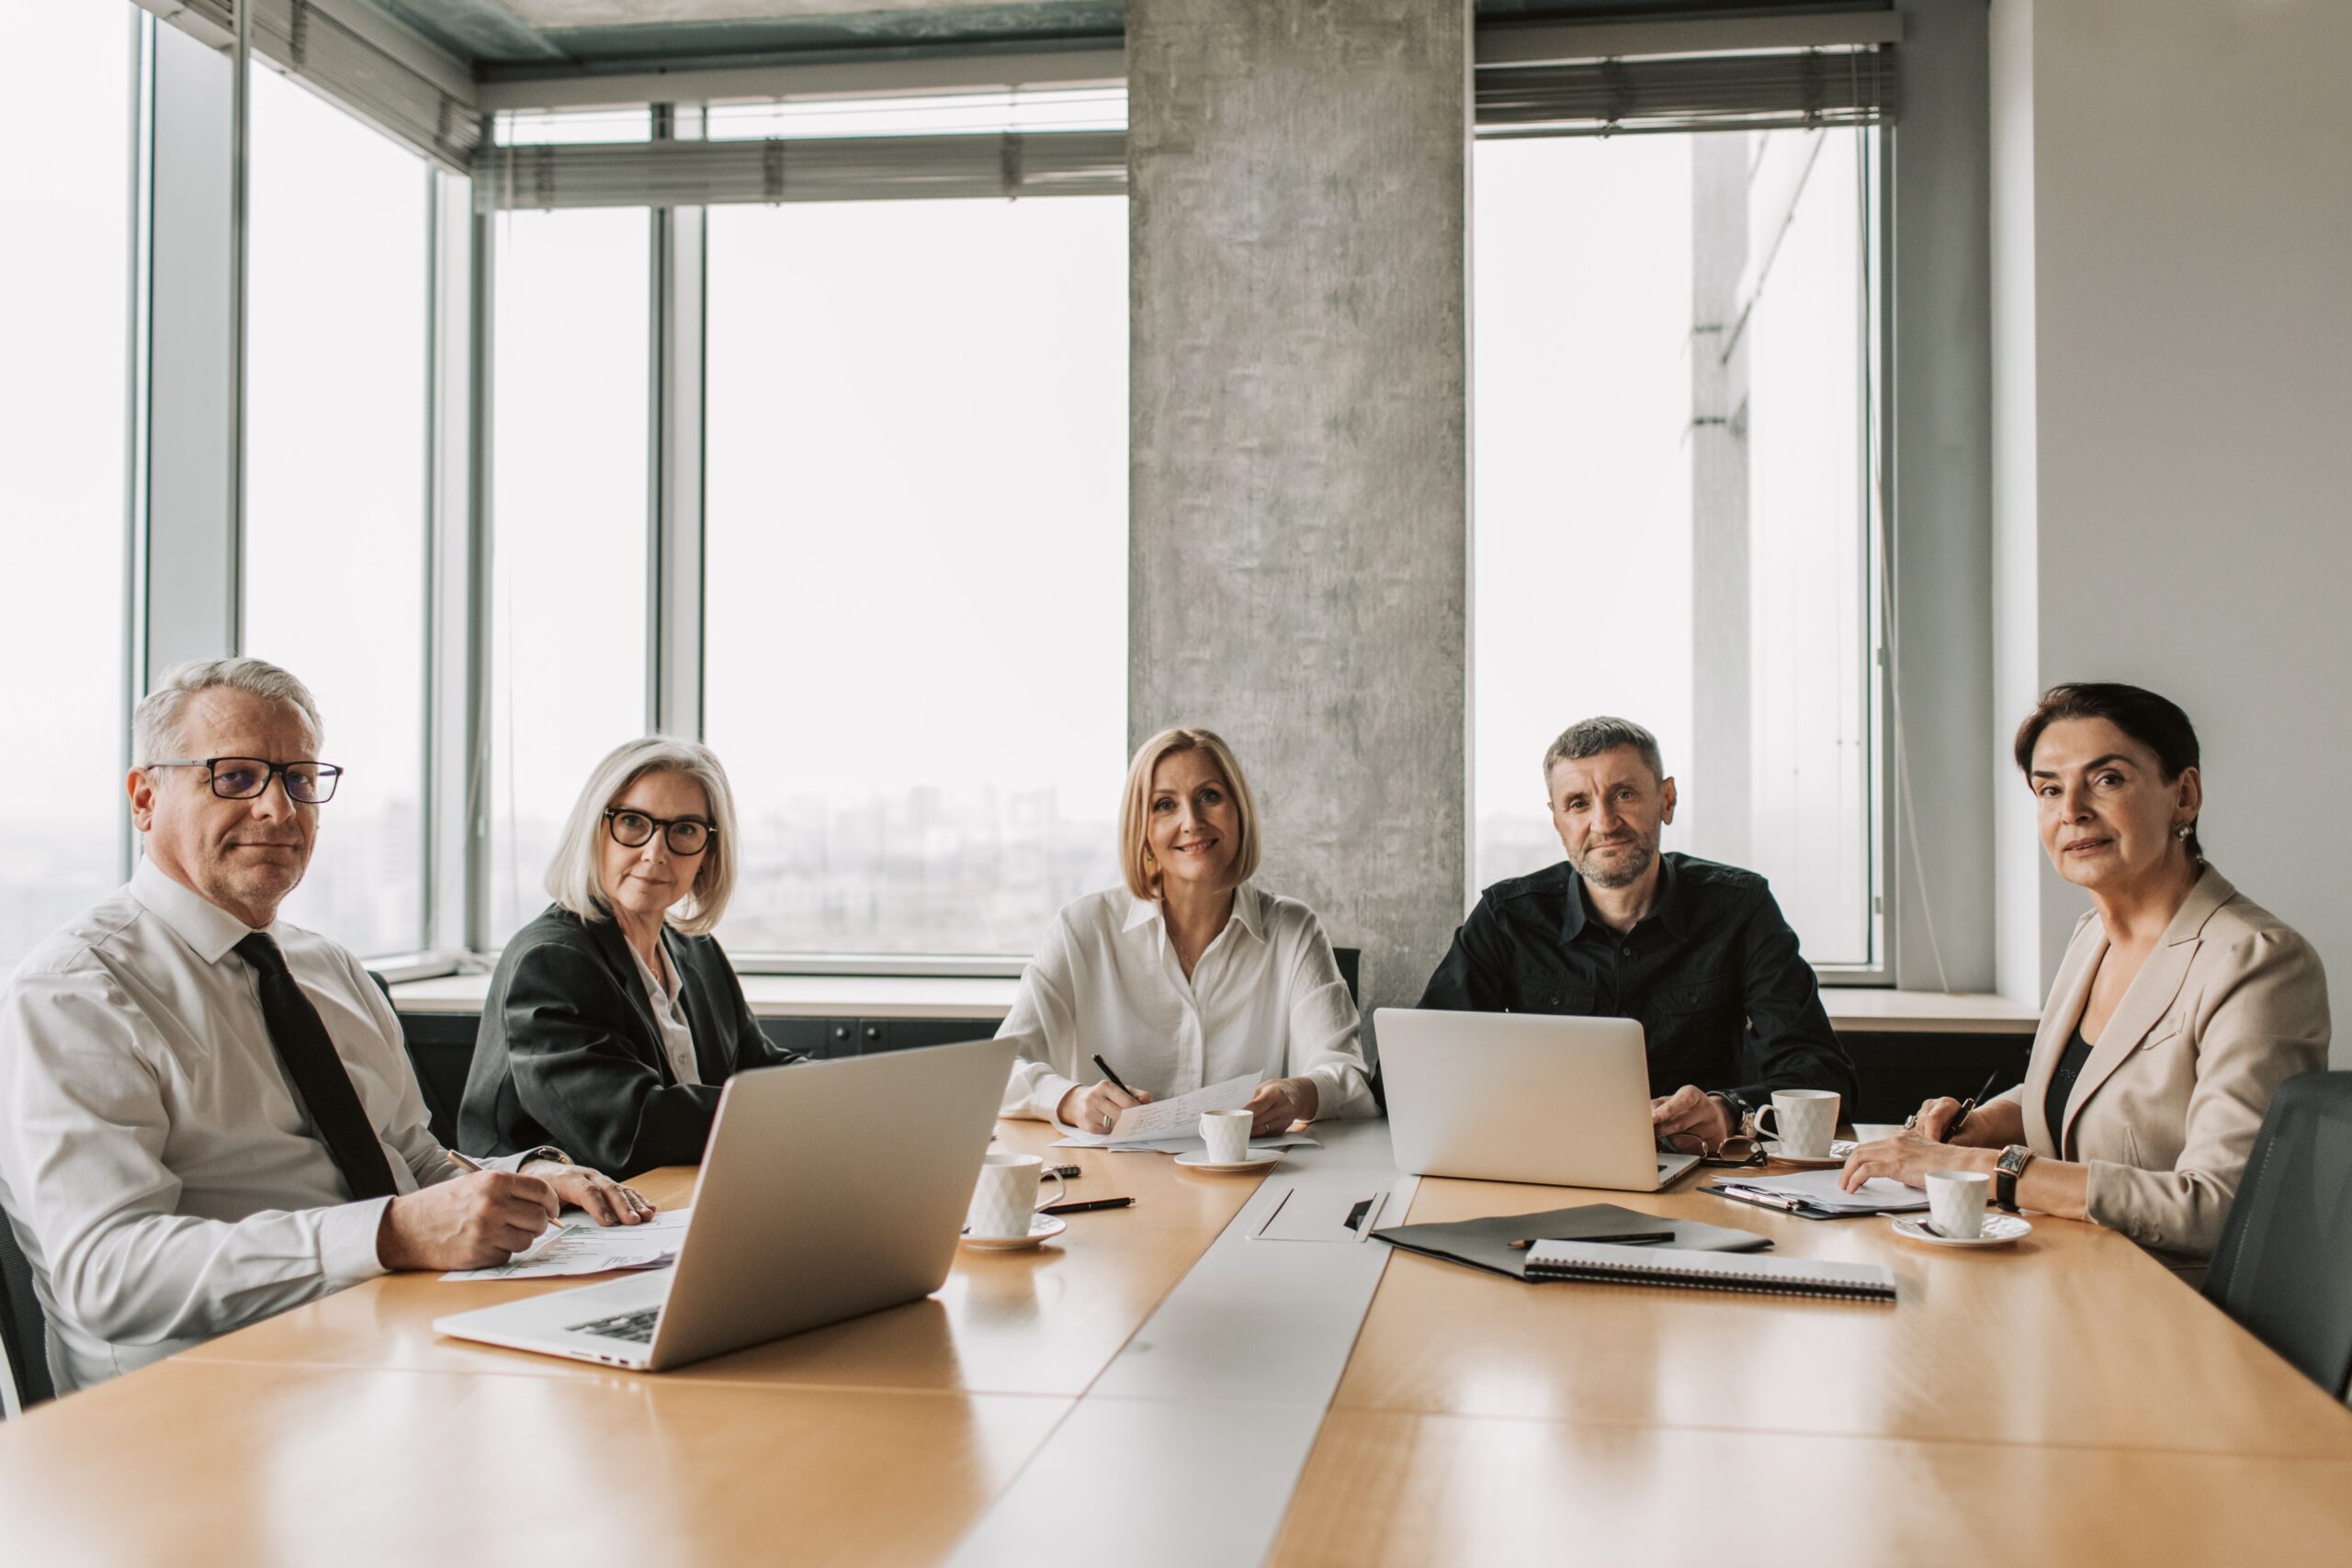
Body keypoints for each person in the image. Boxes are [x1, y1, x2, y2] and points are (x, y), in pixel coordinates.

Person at [0, 659, 648, 1396]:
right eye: (236, 776)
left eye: (301, 779)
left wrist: (520, 1182)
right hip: (204, 1404)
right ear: (145, 798)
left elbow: (410, 1158)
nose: (280, 809)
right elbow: (106, 1272)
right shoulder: (75, 991)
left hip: (391, 1355)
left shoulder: (328, 967)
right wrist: (390, 1235)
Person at [1841, 683, 2328, 1264]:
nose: (2071, 809)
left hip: (2169, 1308)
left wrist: (1971, 1166)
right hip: (2064, 1267)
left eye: (2108, 779)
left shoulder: (2258, 960)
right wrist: (1982, 1126)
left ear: (2185, 796)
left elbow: (2218, 1206)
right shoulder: (2091, 935)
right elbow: (2093, 1092)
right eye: (2049, 788)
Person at [1419, 716, 1855, 1150]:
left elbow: (1821, 1075)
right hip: (1548, 1164)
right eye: (1578, 804)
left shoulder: (1741, 907)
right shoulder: (1506, 918)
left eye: (1623, 794)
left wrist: (1728, 1111)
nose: (1605, 823)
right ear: (1557, 821)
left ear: (1666, 800)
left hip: (1707, 1173)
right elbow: (1421, 1068)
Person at [998, 726, 1375, 1136]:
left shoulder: (1293, 930)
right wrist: (1071, 1100)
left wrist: (1298, 1093)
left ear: (1239, 811)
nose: (1191, 822)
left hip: (1250, 1182)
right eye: (1164, 805)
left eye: (1209, 796)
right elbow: (999, 1075)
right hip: (1112, 1184)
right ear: (1141, 830)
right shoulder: (1081, 929)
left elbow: (1349, 1078)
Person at [460, 737, 805, 1176]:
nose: (655, 853)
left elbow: (757, 1065)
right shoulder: (551, 959)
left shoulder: (696, 951)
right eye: (632, 822)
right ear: (595, 830)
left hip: (674, 1195)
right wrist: (790, 1111)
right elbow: (631, 1125)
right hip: (563, 1220)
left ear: (707, 854)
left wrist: (843, 1094)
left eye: (684, 830)